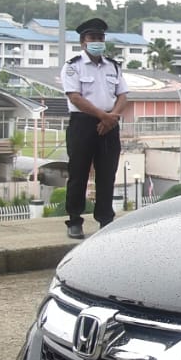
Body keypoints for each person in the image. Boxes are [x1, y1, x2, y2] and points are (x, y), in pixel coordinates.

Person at [61, 17, 129, 240]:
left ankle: (105, 220)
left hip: (110, 123)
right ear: (83, 42)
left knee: (107, 174)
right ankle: (74, 220)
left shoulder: (113, 66)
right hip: (83, 123)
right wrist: (103, 116)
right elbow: (75, 97)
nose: (97, 41)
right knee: (78, 173)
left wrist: (113, 117)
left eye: (100, 38)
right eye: (93, 38)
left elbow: (122, 95)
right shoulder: (72, 66)